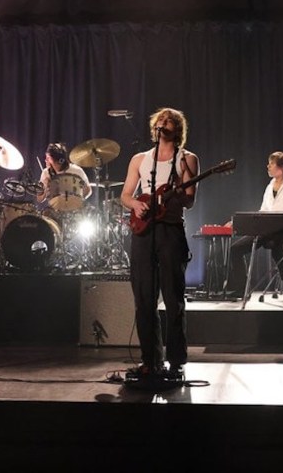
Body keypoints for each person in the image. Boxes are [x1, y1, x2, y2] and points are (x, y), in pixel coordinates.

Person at [119, 107, 200, 381]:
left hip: (170, 231)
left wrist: (178, 190)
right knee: (144, 298)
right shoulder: (139, 159)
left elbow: (190, 199)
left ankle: (176, 361)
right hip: (143, 231)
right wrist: (136, 205)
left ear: (177, 129)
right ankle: (150, 360)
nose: (164, 124)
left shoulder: (187, 159)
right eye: (160, 120)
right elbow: (125, 195)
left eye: (170, 121)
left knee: (173, 298)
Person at [224, 151, 283, 309]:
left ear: (282, 168)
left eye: (271, 163)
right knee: (235, 249)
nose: (268, 166)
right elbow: (262, 212)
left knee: (277, 250)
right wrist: (237, 223)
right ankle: (243, 290)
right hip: (266, 230)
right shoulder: (269, 186)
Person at [35, 142, 93, 210]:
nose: (45, 160)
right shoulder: (46, 173)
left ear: (59, 160)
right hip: (55, 210)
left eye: (48, 158)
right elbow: (39, 199)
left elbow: (88, 190)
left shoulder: (77, 170)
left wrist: (79, 200)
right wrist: (45, 190)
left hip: (74, 210)